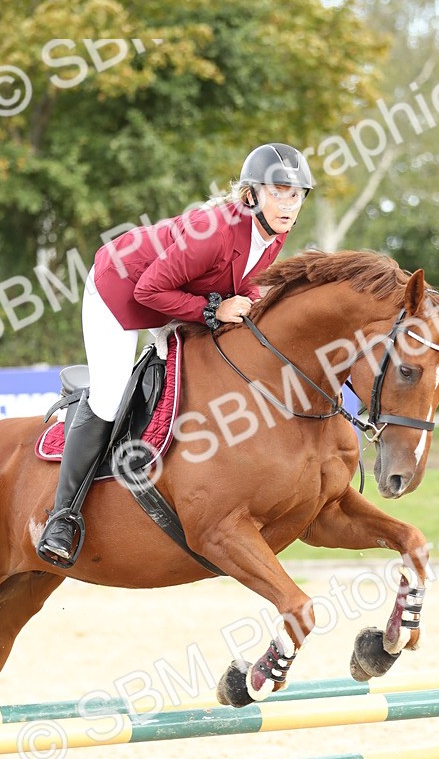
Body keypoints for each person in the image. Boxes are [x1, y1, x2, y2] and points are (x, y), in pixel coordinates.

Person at [36, 143, 313, 566]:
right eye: (278, 191)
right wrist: (215, 310)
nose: (289, 205)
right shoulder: (216, 231)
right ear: (250, 195)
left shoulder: (273, 231)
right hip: (121, 291)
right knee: (110, 396)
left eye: (296, 194)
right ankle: (62, 516)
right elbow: (148, 290)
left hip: (174, 294)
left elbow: (246, 280)